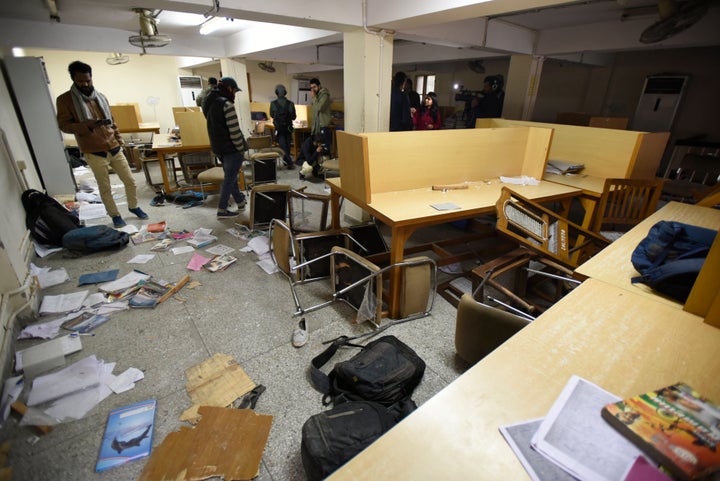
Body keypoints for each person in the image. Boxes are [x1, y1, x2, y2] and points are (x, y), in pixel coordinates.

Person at [56, 61, 148, 228]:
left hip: (114, 147)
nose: (85, 84)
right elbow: (64, 125)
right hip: (93, 151)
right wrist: (87, 125)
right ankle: (115, 215)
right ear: (73, 79)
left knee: (130, 181)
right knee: (105, 187)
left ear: (91, 78)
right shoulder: (65, 100)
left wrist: (120, 143)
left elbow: (113, 122)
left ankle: (134, 207)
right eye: (81, 82)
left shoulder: (100, 97)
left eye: (88, 81)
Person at [203, 76, 248, 218]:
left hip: (218, 148)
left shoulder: (209, 102)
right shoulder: (227, 104)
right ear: (229, 88)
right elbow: (234, 131)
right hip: (231, 149)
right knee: (229, 179)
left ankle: (240, 202)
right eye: (234, 90)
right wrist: (241, 148)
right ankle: (222, 209)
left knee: (231, 176)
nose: (234, 94)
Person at [298, 77, 332, 166]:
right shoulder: (317, 96)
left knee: (324, 148)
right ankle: (319, 168)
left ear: (319, 86)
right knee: (317, 148)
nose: (313, 89)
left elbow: (319, 108)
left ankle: (326, 168)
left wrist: (313, 98)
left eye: (314, 87)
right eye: (311, 88)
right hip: (317, 127)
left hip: (323, 126)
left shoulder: (324, 95)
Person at [270, 84, 297, 169]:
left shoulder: (273, 104)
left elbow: (272, 115)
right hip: (289, 128)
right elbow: (294, 117)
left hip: (279, 128)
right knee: (288, 145)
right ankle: (288, 162)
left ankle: (288, 162)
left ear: (276, 93)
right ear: (285, 92)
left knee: (282, 146)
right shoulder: (291, 104)